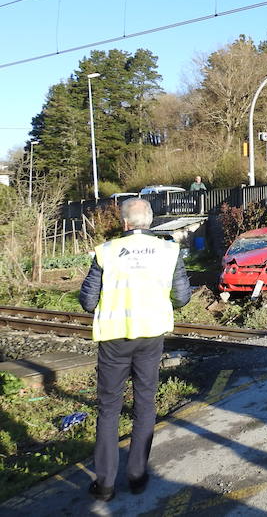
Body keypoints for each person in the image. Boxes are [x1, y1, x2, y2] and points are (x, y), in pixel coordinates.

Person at [79, 198, 192, 502]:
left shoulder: (106, 252)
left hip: (114, 338)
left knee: (109, 407)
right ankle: (137, 476)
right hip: (151, 335)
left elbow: (88, 300)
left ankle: (104, 483)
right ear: (151, 221)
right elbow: (182, 297)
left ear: (125, 223)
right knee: (145, 402)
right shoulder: (169, 251)